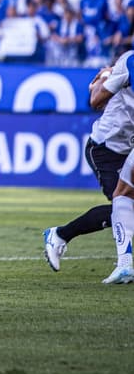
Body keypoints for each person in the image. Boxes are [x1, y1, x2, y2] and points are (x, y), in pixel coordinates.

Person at [43, 62, 134, 272]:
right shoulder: (129, 63)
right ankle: (60, 235)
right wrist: (106, 79)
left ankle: (61, 235)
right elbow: (95, 100)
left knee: (126, 208)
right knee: (123, 206)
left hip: (128, 149)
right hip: (106, 148)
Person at [77, 51, 134, 284]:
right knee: (123, 197)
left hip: (120, 143)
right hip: (110, 145)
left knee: (122, 196)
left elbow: (95, 99)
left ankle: (125, 265)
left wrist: (106, 76)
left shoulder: (130, 61)